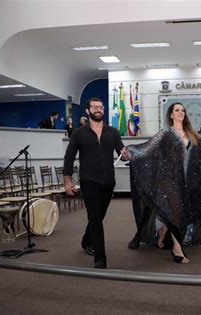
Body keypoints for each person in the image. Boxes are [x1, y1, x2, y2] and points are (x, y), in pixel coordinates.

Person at [122, 102, 201, 264]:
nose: (181, 113)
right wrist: (130, 152)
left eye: (183, 110)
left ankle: (162, 235)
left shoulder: (190, 134)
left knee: (176, 211)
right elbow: (147, 148)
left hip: (186, 180)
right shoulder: (166, 133)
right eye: (177, 110)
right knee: (176, 211)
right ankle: (177, 249)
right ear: (171, 115)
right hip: (168, 180)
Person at [63, 97, 125, 269]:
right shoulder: (78, 133)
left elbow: (122, 150)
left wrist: (126, 154)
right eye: (95, 107)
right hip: (89, 182)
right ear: (87, 110)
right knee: (95, 218)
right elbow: (69, 158)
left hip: (108, 183)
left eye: (101, 107)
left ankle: (86, 239)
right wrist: (67, 180)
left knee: (98, 216)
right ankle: (100, 258)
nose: (99, 109)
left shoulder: (112, 132)